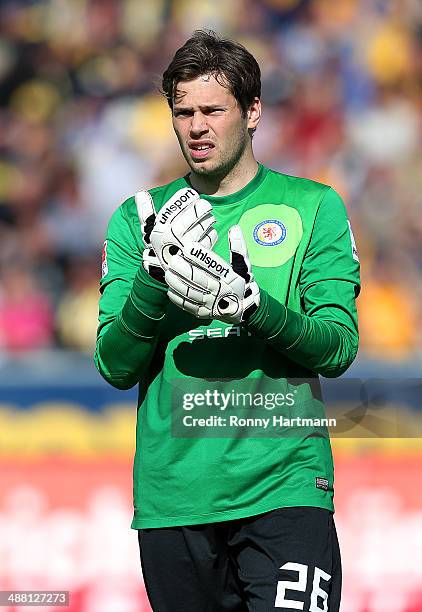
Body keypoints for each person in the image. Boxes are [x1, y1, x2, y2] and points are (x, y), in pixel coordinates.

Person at [94, 30, 360, 612]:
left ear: (253, 110)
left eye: (213, 109)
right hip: (176, 496)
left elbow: (338, 349)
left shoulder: (313, 206)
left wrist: (252, 308)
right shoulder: (139, 218)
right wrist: (153, 282)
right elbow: (114, 365)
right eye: (182, 112)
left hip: (283, 486)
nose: (196, 127)